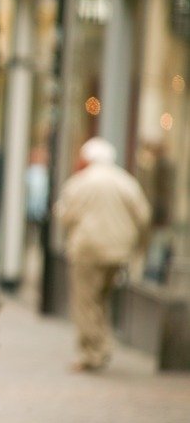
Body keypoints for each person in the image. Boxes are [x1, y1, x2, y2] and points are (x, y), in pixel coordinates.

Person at [55, 137, 151, 372]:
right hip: (118, 252)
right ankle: (101, 345)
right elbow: (144, 216)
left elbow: (64, 214)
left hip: (88, 250)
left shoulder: (81, 182)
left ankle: (94, 352)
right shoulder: (126, 182)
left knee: (86, 301)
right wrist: (138, 247)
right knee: (102, 299)